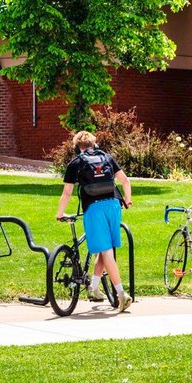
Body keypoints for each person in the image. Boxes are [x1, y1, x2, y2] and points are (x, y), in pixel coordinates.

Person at [57, 130, 134, 311]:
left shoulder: (76, 162)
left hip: (94, 208)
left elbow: (67, 192)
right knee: (105, 248)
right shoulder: (107, 157)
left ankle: (121, 294)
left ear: (77, 148)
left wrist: (60, 214)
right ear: (95, 144)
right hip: (114, 205)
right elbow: (125, 181)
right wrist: (128, 200)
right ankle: (94, 287)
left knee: (106, 252)